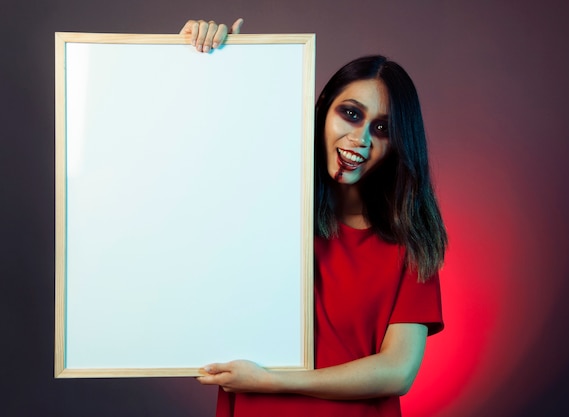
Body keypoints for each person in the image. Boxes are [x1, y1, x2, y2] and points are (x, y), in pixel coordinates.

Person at [180, 18, 447, 417]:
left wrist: (273, 381)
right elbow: (199, 155)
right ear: (323, 112)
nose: (361, 139)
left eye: (381, 128)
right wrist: (214, 61)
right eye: (351, 114)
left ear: (399, 145)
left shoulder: (410, 241)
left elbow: (397, 371)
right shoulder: (261, 210)